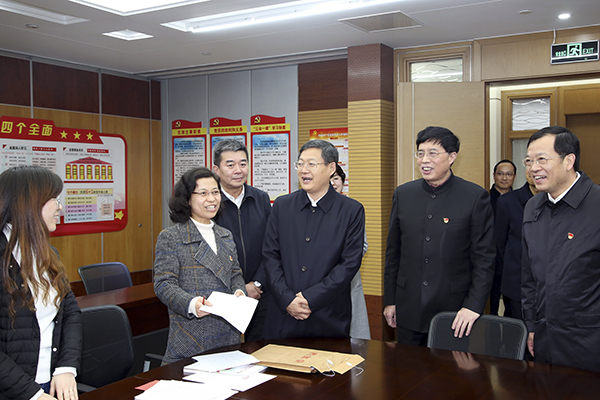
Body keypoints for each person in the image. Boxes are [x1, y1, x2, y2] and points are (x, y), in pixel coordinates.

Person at [383, 126, 495, 346]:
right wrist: (390, 300)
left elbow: (485, 259)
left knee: (450, 367)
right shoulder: (403, 194)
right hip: (408, 307)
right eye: (420, 153)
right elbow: (393, 253)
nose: (425, 160)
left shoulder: (474, 197)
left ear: (452, 157)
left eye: (433, 153)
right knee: (405, 366)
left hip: (454, 311)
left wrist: (473, 305)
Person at [262, 139, 365, 339]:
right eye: (300, 164)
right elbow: (270, 255)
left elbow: (349, 264)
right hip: (283, 314)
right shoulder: (282, 206)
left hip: (329, 315)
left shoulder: (351, 210)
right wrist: (287, 299)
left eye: (311, 164)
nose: (304, 170)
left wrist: (310, 298)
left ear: (331, 168)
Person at [522, 126, 600, 372]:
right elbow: (528, 275)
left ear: (569, 161)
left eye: (541, 159)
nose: (533, 168)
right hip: (544, 339)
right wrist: (531, 325)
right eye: (529, 161)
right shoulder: (532, 207)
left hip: (590, 342)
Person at [0, 166, 81, 400]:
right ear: (29, 203)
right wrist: (33, 394)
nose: (60, 207)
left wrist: (66, 367)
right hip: (16, 391)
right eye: (54, 198)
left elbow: (70, 312)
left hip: (51, 382)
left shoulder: (48, 253)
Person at [154, 167, 246, 364]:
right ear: (187, 199)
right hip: (191, 340)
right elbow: (163, 284)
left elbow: (235, 274)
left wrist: (239, 291)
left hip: (229, 336)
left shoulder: (225, 235)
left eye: (215, 192)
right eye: (203, 193)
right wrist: (191, 303)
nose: (211, 199)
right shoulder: (171, 237)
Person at [212, 140, 271, 341]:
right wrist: (237, 288)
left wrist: (257, 283)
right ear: (217, 170)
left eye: (243, 164)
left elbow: (272, 247)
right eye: (230, 165)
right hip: (223, 295)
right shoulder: (210, 203)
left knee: (261, 350)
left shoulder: (261, 199)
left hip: (261, 293)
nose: (238, 170)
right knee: (225, 351)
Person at [329, 163, 371, 340]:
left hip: (348, 279)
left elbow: (363, 245)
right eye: (329, 179)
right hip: (317, 283)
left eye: (336, 178)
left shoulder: (352, 209)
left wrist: (341, 262)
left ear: (343, 182)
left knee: (354, 337)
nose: (333, 183)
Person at [495, 168, 538, 320]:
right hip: (516, 282)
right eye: (529, 161)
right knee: (518, 329)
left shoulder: (555, 200)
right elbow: (501, 242)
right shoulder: (507, 201)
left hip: (549, 286)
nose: (534, 168)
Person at [488, 159, 517, 316]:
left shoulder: (520, 200)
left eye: (509, 174)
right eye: (500, 174)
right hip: (490, 261)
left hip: (512, 261)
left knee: (512, 307)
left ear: (514, 177)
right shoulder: (484, 200)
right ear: (494, 175)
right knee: (490, 306)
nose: (504, 178)